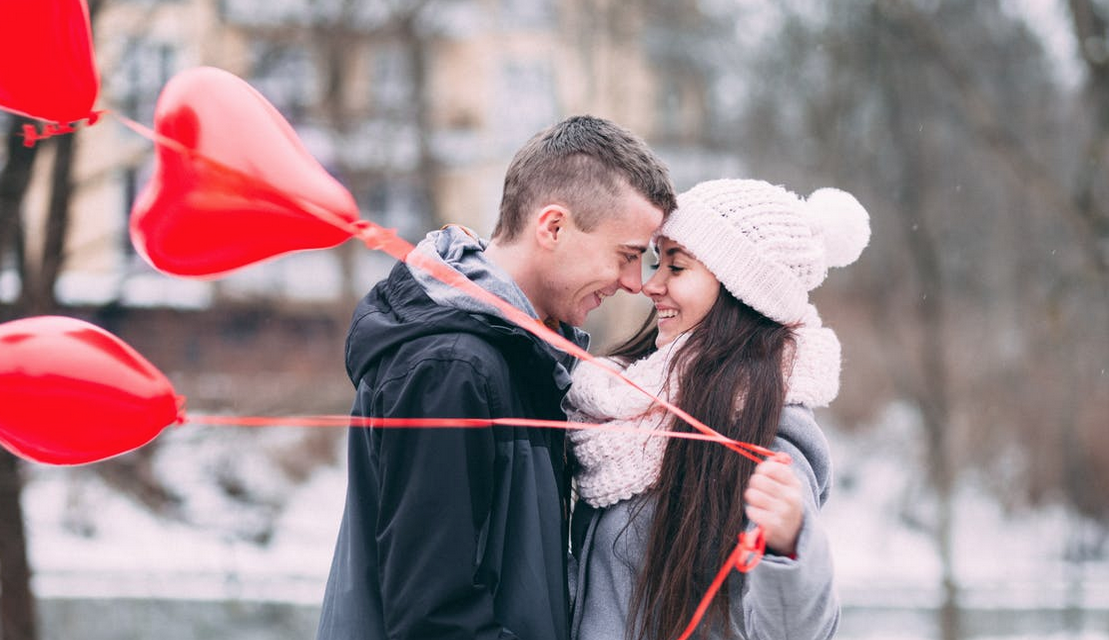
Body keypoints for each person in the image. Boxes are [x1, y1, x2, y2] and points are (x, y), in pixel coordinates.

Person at [316, 115, 677, 640]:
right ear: (552, 227)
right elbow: (433, 620)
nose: (633, 283)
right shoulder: (452, 368)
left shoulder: (521, 357)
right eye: (626, 256)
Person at [566, 178, 870, 639]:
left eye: (677, 267)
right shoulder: (620, 411)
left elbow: (798, 633)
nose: (651, 284)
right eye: (655, 261)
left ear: (739, 289)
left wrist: (787, 547)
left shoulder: (768, 432)